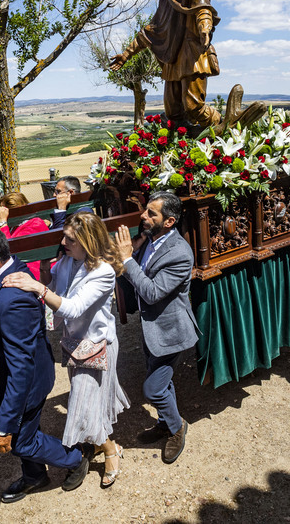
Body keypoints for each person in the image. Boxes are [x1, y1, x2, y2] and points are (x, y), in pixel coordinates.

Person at [0, 226, 92, 502]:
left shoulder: (15, 299)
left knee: (20, 440)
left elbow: (21, 368)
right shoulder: (5, 268)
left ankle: (75, 457)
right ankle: (35, 475)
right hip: (6, 376)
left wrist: (3, 427)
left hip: (24, 383)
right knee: (25, 429)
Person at [2, 212, 129, 488]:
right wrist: (46, 276)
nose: (63, 242)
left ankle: (110, 450)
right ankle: (101, 445)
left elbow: (73, 307)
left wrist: (37, 287)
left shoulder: (104, 272)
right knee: (88, 406)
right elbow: (57, 285)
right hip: (74, 345)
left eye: (70, 239)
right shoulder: (69, 260)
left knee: (83, 408)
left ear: (88, 241)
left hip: (98, 346)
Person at [110, 0, 264, 131]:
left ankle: (221, 123)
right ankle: (183, 141)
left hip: (192, 55)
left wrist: (205, 28)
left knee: (194, 107)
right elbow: (150, 30)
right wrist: (126, 54)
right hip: (173, 59)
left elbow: (203, 10)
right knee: (173, 111)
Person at [113, 191, 198, 465]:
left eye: (152, 213)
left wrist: (127, 260)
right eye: (145, 211)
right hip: (152, 330)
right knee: (163, 382)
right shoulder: (151, 238)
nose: (143, 216)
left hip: (172, 332)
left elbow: (151, 292)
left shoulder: (180, 254)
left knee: (153, 389)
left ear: (170, 221)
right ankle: (164, 422)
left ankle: (177, 428)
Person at [0, 192, 49, 280]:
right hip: (20, 273)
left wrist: (2, 222)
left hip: (33, 276)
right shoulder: (14, 226)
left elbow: (9, 250)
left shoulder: (35, 224)